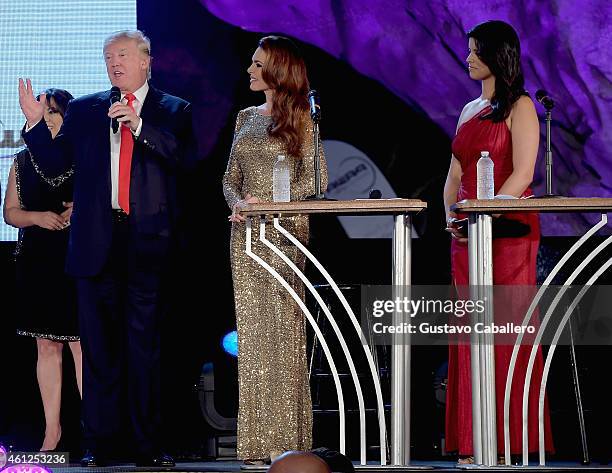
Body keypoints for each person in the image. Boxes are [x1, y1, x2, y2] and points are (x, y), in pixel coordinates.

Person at [18, 30, 197, 467]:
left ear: (145, 62)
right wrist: (37, 127)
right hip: (95, 242)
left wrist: (139, 126)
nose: (113, 64)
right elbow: (59, 166)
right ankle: (99, 444)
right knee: (98, 351)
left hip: (147, 244)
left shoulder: (173, 109)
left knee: (144, 349)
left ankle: (147, 446)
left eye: (121, 55)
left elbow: (182, 159)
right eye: (107, 57)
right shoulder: (85, 109)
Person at [443, 20, 553, 462]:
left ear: (496, 55)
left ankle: (510, 440)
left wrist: (483, 213)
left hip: (507, 231)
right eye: (468, 51)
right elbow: (454, 174)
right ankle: (474, 441)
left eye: (475, 51)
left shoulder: (521, 105)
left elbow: (524, 174)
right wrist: (454, 213)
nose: (468, 58)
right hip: (467, 232)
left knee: (505, 329)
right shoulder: (469, 110)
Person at [223, 35, 328, 466]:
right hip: (246, 237)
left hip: (285, 236)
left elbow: (316, 180)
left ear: (277, 69)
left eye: (257, 62)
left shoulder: (304, 117)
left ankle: (288, 441)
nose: (249, 69)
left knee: (283, 338)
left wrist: (275, 205)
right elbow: (230, 178)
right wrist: (240, 204)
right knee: (252, 340)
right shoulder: (244, 117)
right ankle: (254, 444)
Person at [3, 88, 81, 452]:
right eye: (44, 112)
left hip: (76, 258)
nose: (49, 118)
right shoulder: (20, 160)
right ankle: (52, 432)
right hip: (36, 260)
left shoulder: (79, 154)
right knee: (45, 346)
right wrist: (37, 217)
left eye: (55, 112)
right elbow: (10, 212)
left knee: (82, 346)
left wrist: (80, 209)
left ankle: (93, 428)